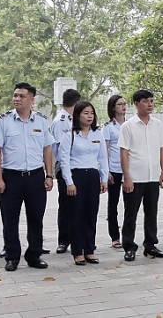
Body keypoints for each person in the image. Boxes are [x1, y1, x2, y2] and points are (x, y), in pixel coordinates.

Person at [0, 82, 55, 272]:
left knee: (36, 217)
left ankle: (34, 255)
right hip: (11, 177)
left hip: (35, 176)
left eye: (21, 96)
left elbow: (47, 148)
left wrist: (49, 175)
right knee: (10, 219)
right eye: (15, 95)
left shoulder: (41, 121)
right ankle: (12, 256)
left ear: (31, 100)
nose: (17, 99)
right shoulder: (4, 121)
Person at [119, 89, 163, 261]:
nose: (149, 104)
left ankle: (150, 244)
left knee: (152, 212)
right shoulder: (128, 126)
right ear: (136, 104)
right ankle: (129, 246)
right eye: (145, 101)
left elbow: (162, 148)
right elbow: (124, 152)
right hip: (135, 177)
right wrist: (127, 176)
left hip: (153, 176)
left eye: (151, 101)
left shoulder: (157, 124)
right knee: (130, 213)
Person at [58, 101, 109, 265]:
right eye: (85, 113)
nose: (89, 116)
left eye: (91, 113)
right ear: (78, 115)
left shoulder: (97, 134)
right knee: (76, 215)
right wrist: (69, 182)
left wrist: (104, 178)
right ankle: (77, 251)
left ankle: (89, 250)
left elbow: (102, 158)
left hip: (92, 177)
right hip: (76, 176)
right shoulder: (70, 135)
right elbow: (64, 160)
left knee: (91, 214)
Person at [51, 88, 80, 254]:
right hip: (64, 167)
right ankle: (64, 240)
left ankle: (76, 236)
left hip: (75, 166)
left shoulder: (71, 119)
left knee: (76, 205)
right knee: (66, 205)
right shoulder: (62, 120)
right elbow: (62, 148)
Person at [103, 95, 127, 249]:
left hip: (130, 170)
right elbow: (105, 150)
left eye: (125, 104)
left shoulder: (131, 124)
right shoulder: (108, 127)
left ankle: (128, 235)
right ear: (113, 107)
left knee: (130, 205)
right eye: (120, 104)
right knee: (113, 204)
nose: (123, 106)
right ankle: (114, 237)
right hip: (114, 169)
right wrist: (106, 172)